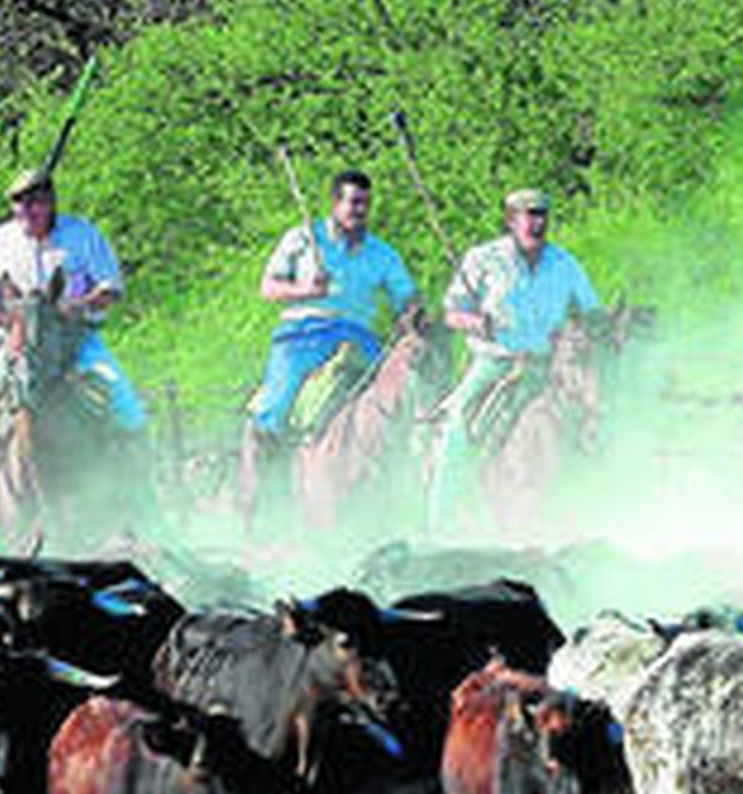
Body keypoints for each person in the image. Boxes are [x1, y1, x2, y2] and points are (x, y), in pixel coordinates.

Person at [241, 169, 422, 522]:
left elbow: (406, 294)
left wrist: (412, 313)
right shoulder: (303, 240)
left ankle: (403, 494)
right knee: (275, 407)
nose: (360, 210)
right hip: (303, 335)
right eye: (353, 202)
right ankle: (267, 497)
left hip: (358, 337)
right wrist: (307, 290)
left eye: (366, 204)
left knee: (396, 396)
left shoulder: (382, 253)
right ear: (335, 202)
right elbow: (269, 288)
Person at [425, 188, 601, 534]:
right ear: (510, 220)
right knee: (458, 422)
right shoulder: (483, 258)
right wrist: (475, 322)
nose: (536, 222)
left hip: (551, 366)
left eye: (541, 214)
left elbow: (591, 310)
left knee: (597, 413)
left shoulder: (564, 263)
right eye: (528, 214)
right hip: (497, 363)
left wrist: (600, 326)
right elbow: (450, 313)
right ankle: (440, 523)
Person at [0, 168, 146, 431]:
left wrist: (79, 305)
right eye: (19, 203)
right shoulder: (0, 240)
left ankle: (145, 464)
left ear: (50, 203)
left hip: (75, 340)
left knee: (125, 403)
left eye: (34, 203)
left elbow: (111, 288)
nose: (26, 210)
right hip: (19, 345)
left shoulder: (82, 234)